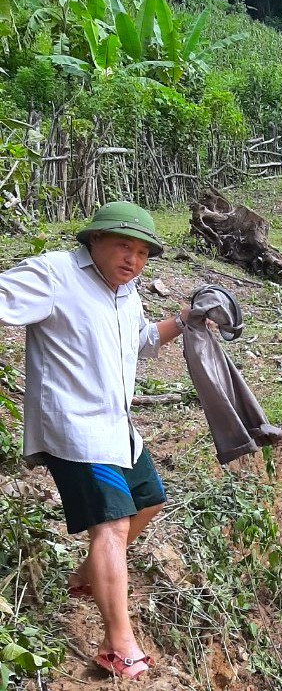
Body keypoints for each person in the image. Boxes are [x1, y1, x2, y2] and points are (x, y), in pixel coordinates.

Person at [0, 202, 187, 680]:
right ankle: (118, 644)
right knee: (112, 525)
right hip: (75, 427)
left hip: (116, 427)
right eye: (124, 246)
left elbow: (140, 341)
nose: (133, 260)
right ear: (95, 240)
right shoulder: (55, 274)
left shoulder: (126, 292)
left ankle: (88, 574)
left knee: (149, 500)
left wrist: (185, 320)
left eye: (142, 253)